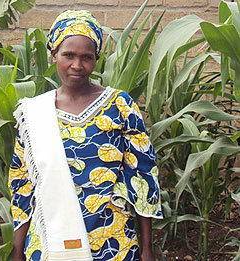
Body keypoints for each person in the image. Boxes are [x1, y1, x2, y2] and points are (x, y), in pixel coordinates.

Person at [9, 10, 162, 261]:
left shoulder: (120, 105)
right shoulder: (34, 113)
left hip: (113, 240)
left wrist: (146, 250)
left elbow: (143, 175)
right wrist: (17, 251)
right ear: (54, 55)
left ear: (96, 60)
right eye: (68, 55)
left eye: (86, 57)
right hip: (49, 240)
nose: (77, 65)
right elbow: (22, 183)